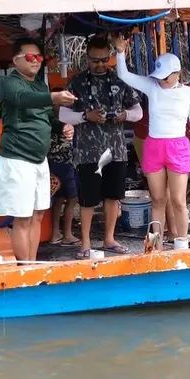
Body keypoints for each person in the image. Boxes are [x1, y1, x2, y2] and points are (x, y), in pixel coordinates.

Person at [111, 35, 190, 243]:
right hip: (154, 146)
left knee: (178, 201)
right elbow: (124, 75)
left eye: (166, 76)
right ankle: (155, 245)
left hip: (178, 147)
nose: (162, 80)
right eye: (159, 76)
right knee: (158, 200)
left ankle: (182, 242)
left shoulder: (188, 94)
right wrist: (120, 52)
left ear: (177, 73)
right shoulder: (152, 86)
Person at [0, 38, 77, 262]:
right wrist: (52, 97)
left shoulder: (40, 84)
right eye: (31, 57)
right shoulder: (10, 83)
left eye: (39, 57)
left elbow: (48, 117)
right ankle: (25, 266)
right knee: (22, 218)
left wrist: (63, 127)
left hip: (40, 160)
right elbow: (23, 100)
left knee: (38, 215)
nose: (36, 61)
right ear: (16, 60)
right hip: (17, 159)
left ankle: (31, 263)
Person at [60, 36, 143, 258]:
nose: (100, 64)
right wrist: (86, 116)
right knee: (87, 199)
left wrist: (124, 114)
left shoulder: (119, 81)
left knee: (112, 196)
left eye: (104, 59)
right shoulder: (76, 83)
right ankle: (85, 243)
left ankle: (109, 239)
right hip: (87, 152)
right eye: (95, 60)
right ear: (87, 58)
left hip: (115, 150)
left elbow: (138, 112)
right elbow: (63, 113)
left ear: (110, 57)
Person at [47, 113, 79, 246]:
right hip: (64, 161)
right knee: (72, 198)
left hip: (52, 161)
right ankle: (67, 234)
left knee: (58, 198)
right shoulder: (62, 118)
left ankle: (55, 233)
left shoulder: (49, 116)